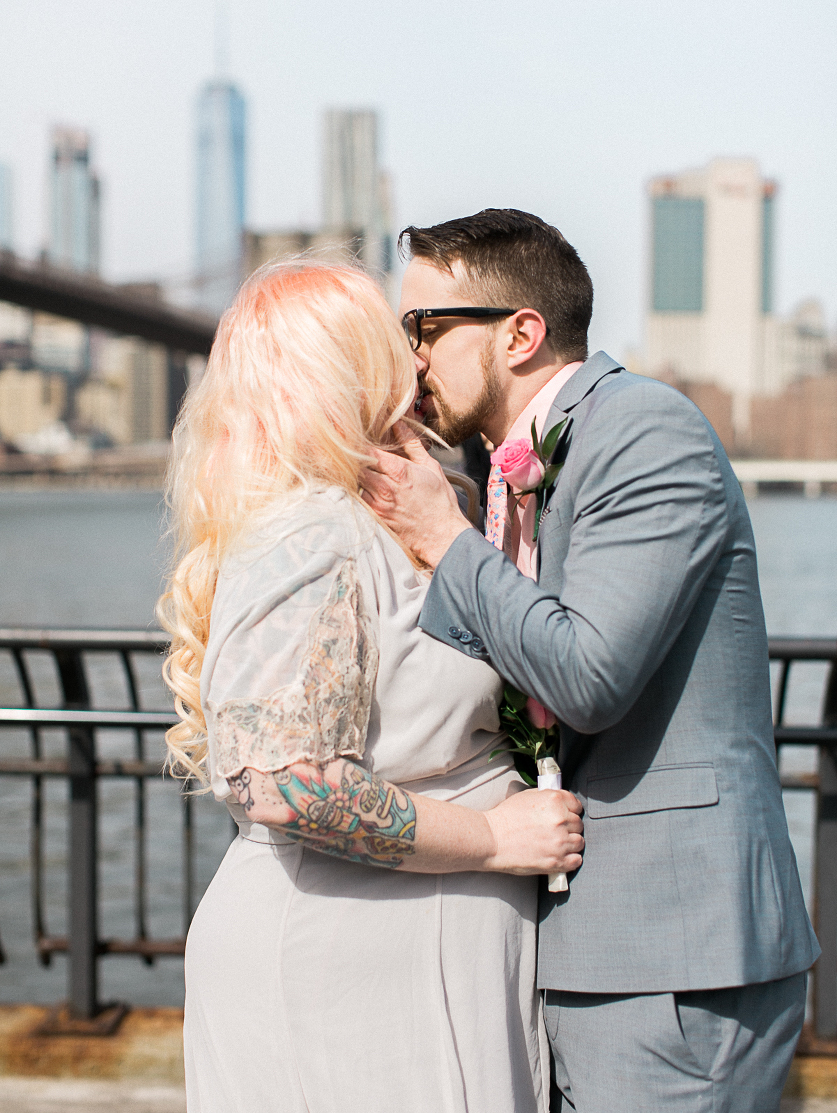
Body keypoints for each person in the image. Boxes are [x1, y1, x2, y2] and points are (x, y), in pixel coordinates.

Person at [360, 208, 820, 1113]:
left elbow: (588, 677)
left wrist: (442, 538)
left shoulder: (643, 431)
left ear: (520, 332)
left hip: (673, 955)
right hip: (576, 947)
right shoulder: (502, 471)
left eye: (423, 328)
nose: (406, 356)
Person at [158, 262, 584, 1113]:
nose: (413, 357)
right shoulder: (313, 530)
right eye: (391, 338)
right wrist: (494, 839)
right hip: (345, 971)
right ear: (348, 366)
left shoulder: (371, 516)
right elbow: (283, 784)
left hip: (395, 956)